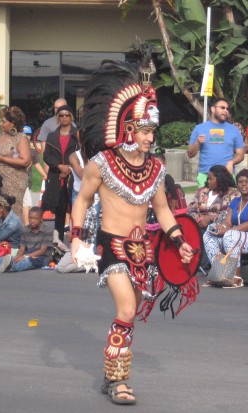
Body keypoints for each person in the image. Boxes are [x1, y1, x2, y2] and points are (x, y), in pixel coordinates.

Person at [70, 60, 197, 405]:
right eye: (144, 131)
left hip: (143, 250)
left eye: (152, 132)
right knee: (126, 309)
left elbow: (162, 210)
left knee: (129, 317)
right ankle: (118, 380)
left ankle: (112, 370)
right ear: (127, 129)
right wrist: (77, 238)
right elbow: (81, 199)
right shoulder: (102, 163)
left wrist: (179, 241)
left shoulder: (156, 168)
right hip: (112, 246)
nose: (149, 137)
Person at [203, 169, 248, 287]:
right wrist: (221, 227)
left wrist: (227, 231)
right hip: (234, 236)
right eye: (240, 182)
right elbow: (228, 222)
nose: (243, 184)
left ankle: (235, 278)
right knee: (209, 232)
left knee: (230, 235)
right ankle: (219, 272)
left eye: (247, 182)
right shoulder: (235, 201)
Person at [187, 97, 245, 187]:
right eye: (222, 108)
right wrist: (197, 143)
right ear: (213, 109)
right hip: (205, 175)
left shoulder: (234, 130)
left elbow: (241, 154)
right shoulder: (199, 128)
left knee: (229, 201)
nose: (226, 111)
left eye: (227, 109)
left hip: (227, 175)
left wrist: (231, 162)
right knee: (204, 201)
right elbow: (190, 154)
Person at [42, 105, 79, 241]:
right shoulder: (52, 136)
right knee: (59, 212)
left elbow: (83, 155)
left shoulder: (77, 135)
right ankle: (57, 242)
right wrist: (59, 166)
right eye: (61, 115)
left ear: (71, 117)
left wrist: (70, 167)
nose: (64, 117)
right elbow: (47, 155)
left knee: (76, 210)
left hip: (74, 177)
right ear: (58, 118)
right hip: (56, 177)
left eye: (67, 115)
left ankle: (76, 241)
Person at [0, 106, 31, 218]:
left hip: (14, 179)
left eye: (3, 121)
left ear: (13, 123)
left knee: (11, 213)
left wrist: (2, 159)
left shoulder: (20, 138)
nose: (1, 124)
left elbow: (25, 161)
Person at [0, 207, 53, 273]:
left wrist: (24, 257)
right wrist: (18, 257)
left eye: (35, 219)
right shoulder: (26, 229)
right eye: (30, 218)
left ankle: (11, 267)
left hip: (42, 257)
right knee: (6, 258)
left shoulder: (47, 230)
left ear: (41, 219)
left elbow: (42, 251)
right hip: (28, 253)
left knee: (27, 262)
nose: (32, 221)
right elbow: (22, 248)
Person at [187, 165, 239, 231]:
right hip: (198, 225)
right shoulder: (202, 191)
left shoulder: (232, 193)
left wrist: (211, 218)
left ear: (220, 179)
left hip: (219, 227)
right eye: (208, 178)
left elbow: (231, 215)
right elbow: (191, 209)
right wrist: (200, 219)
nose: (208, 181)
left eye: (211, 179)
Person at [22, 125, 47, 225]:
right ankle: (26, 225)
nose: (27, 137)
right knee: (25, 203)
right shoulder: (17, 148)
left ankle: (27, 225)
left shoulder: (32, 151)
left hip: (27, 181)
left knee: (26, 204)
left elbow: (37, 164)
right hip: (18, 180)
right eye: (25, 134)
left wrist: (45, 175)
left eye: (28, 135)